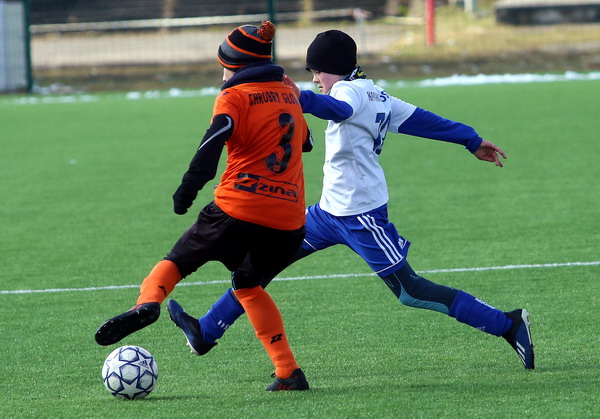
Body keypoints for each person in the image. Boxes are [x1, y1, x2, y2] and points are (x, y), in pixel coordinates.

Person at [168, 30, 535, 376]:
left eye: (317, 72)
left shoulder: (351, 92)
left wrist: (298, 98)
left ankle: (507, 323)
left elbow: (339, 109)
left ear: (334, 68)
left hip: (362, 218)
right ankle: (206, 331)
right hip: (327, 214)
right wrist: (471, 140)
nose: (315, 79)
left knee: (410, 291)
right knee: (256, 268)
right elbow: (424, 121)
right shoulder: (377, 95)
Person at [95, 21, 314, 391]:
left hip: (238, 209)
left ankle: (147, 303)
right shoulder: (289, 93)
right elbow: (305, 143)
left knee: (178, 260)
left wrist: (188, 188)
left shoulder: (235, 96)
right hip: (289, 222)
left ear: (235, 66)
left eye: (223, 66)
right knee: (248, 285)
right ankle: (287, 371)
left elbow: (212, 144)